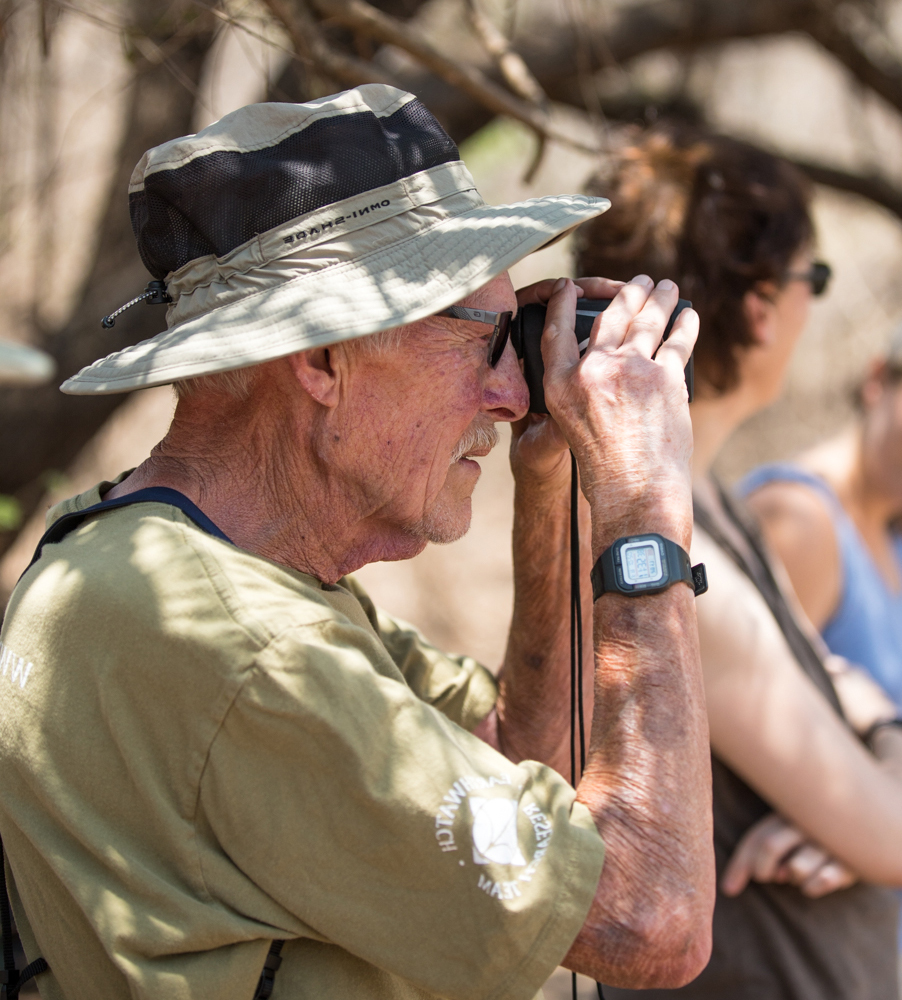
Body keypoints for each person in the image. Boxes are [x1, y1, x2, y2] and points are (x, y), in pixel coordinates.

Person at [0, 86, 716, 1000]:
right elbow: (653, 919)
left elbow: (522, 768)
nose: (510, 390)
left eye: (517, 339)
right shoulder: (244, 649)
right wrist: (643, 507)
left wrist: (549, 481)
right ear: (322, 358)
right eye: (480, 336)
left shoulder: (153, 557)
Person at [575, 126, 902, 1000]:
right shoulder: (680, 569)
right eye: (813, 281)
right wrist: (894, 733)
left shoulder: (712, 508)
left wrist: (849, 801)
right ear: (766, 306)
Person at [741, 302, 902, 996]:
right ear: (880, 379)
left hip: (871, 937)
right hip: (782, 949)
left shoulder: (895, 537)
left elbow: (845, 714)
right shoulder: (800, 519)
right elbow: (729, 745)